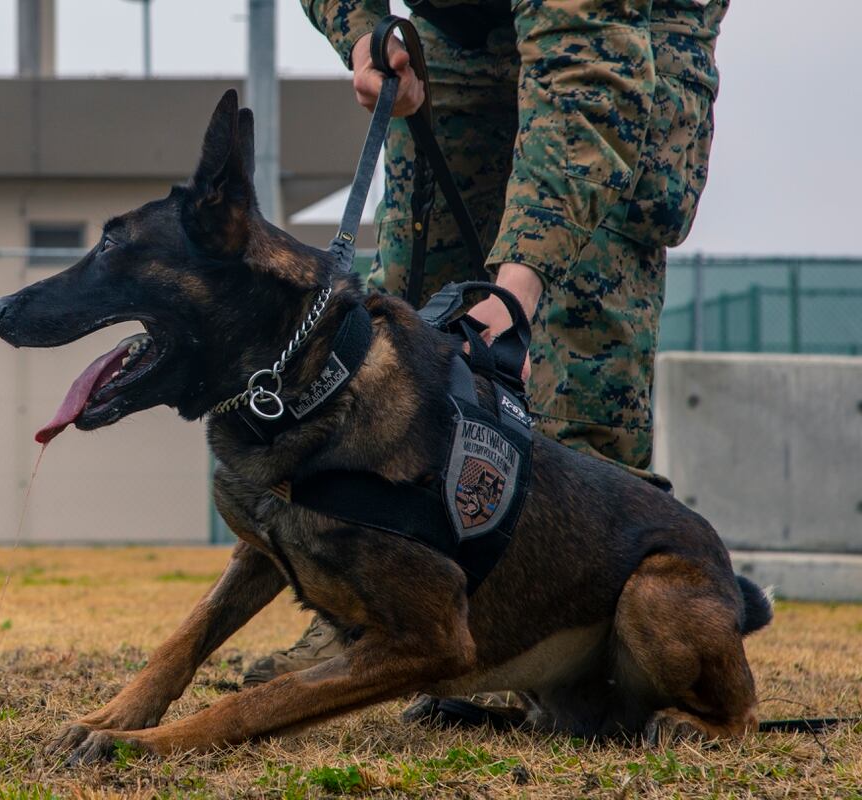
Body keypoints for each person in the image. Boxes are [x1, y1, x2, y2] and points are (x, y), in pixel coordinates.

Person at [243, 0, 728, 687]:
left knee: (577, 349)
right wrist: (365, 40)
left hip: (620, 42)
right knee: (399, 352)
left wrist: (515, 297)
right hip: (457, 38)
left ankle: (554, 645)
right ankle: (367, 608)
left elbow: (585, 73)